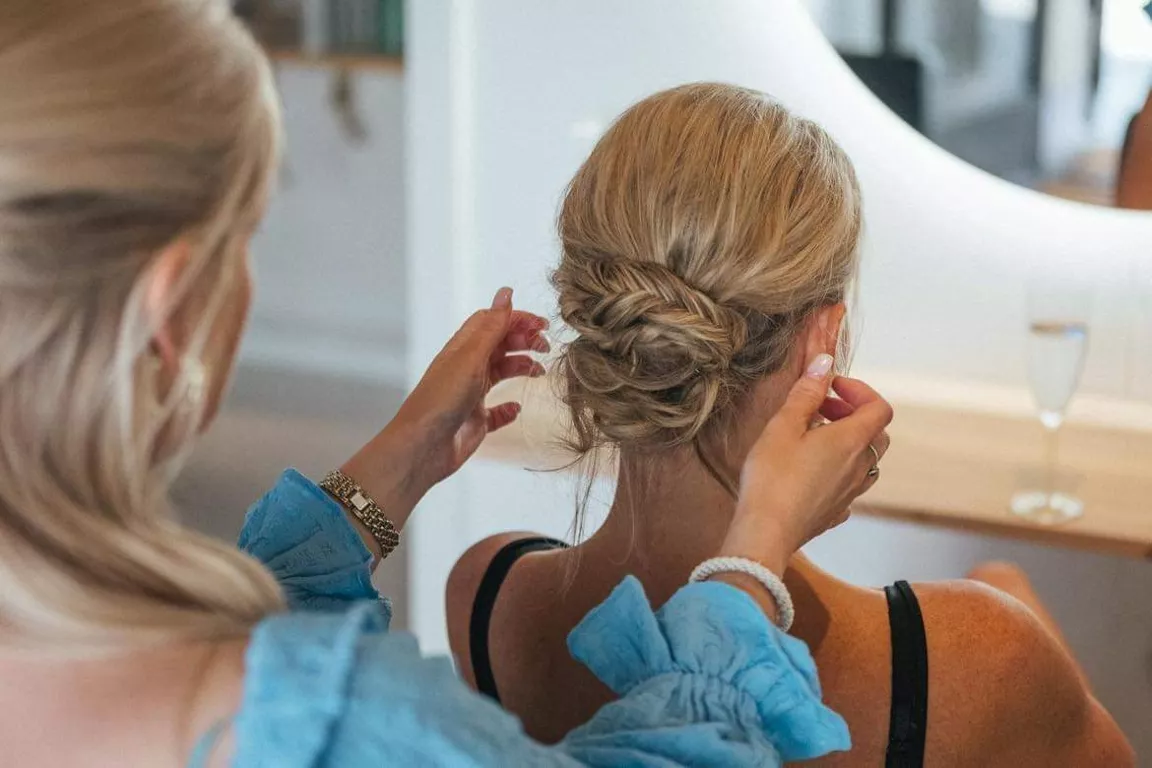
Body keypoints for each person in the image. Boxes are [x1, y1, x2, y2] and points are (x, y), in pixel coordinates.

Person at [0, 3, 896, 766]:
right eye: (248, 236)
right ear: (169, 307)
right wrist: (754, 555)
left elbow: (260, 637)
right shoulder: (370, 725)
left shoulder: (482, 596)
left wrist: (395, 465)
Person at [446, 83, 1135, 767]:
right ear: (821, 341)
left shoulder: (488, 596)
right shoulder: (972, 663)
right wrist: (1013, 639)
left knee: (1001, 578)